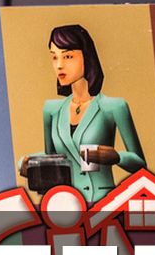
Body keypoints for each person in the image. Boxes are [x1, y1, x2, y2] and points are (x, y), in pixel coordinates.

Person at [20, 24, 145, 204]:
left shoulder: (114, 106)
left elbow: (140, 163)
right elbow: (53, 157)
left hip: (104, 203)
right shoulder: (51, 110)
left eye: (68, 56)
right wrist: (25, 163)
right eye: (54, 57)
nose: (59, 65)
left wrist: (116, 157)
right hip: (66, 204)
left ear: (87, 56)